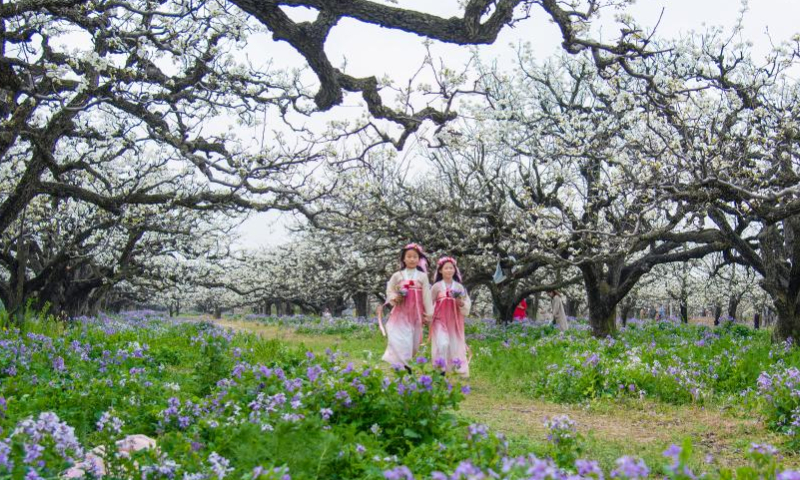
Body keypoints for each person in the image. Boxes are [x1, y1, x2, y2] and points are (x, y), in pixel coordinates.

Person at [381, 243, 433, 368]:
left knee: (414, 343)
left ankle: (405, 361)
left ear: (419, 259)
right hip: (401, 312)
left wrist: (429, 314)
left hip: (416, 313)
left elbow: (426, 295)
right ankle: (402, 365)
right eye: (408, 256)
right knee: (402, 338)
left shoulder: (422, 277)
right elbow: (390, 290)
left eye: (415, 257)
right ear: (404, 259)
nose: (411, 259)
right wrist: (395, 297)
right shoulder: (397, 275)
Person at [430, 257, 471, 377]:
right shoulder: (436, 287)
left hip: (454, 321)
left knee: (454, 344)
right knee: (442, 344)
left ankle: (455, 369)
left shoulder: (459, 287)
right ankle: (440, 370)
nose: (449, 270)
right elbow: (429, 303)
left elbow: (466, 303)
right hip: (440, 320)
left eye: (451, 268)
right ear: (441, 271)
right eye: (446, 268)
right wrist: (428, 316)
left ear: (454, 270)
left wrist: (461, 303)